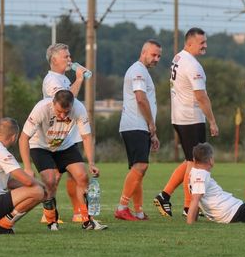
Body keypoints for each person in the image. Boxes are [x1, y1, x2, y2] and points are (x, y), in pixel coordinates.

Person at [18, 90, 107, 230]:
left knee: (82, 176)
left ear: (72, 105)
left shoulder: (79, 108)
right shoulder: (41, 108)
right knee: (50, 181)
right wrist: (27, 168)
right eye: (59, 111)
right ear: (53, 103)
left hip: (65, 145)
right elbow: (23, 138)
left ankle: (87, 221)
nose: (63, 116)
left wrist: (91, 163)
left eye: (67, 112)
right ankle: (51, 220)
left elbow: (86, 137)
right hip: (40, 146)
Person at [153, 28, 218, 218]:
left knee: (190, 159)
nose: (205, 46)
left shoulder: (178, 57)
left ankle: (165, 195)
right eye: (201, 43)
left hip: (179, 117)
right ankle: (189, 206)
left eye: (205, 42)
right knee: (195, 163)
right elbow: (201, 96)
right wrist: (212, 121)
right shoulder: (193, 65)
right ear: (189, 43)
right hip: (191, 118)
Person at [41, 43, 90, 223]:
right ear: (54, 60)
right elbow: (66, 100)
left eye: (69, 56)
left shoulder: (62, 78)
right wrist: (79, 79)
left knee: (74, 174)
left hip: (67, 134)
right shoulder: (51, 81)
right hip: (54, 135)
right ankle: (47, 213)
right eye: (66, 57)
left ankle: (78, 212)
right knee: (54, 177)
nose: (70, 59)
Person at [115, 40, 162, 221]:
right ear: (143, 52)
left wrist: (152, 133)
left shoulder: (142, 71)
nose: (156, 59)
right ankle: (122, 207)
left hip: (139, 126)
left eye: (159, 56)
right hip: (135, 124)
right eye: (153, 54)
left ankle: (139, 211)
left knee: (139, 170)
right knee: (141, 166)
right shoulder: (138, 71)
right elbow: (141, 99)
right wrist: (151, 124)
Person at [0, 118, 45, 234]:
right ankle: (4, 225)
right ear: (14, 137)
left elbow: (10, 183)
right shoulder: (2, 151)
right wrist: (43, 186)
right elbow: (27, 181)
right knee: (38, 191)